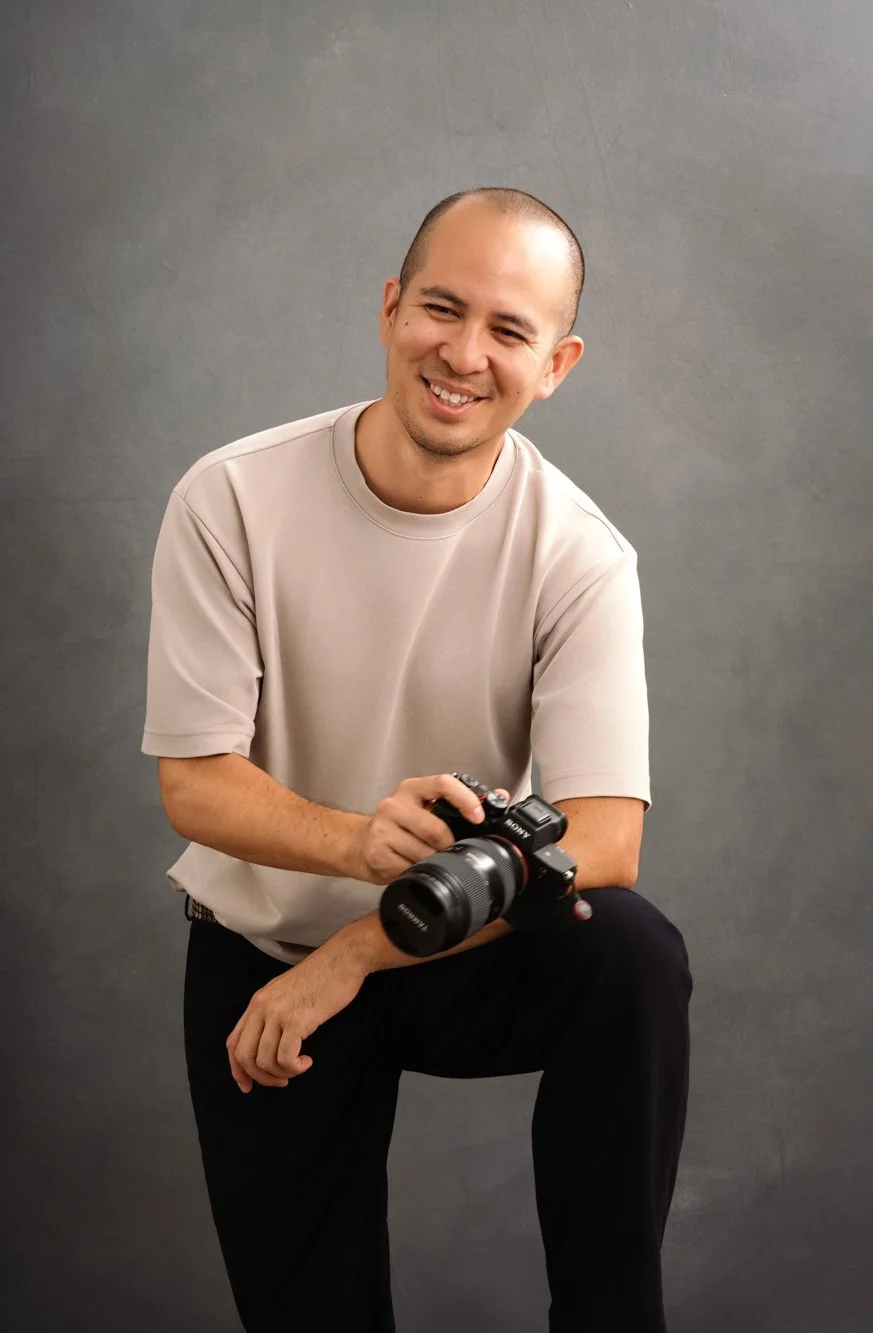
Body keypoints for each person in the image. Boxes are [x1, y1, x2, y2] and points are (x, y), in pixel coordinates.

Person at [141, 186, 693, 1333]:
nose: (464, 352)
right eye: (442, 308)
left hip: (449, 946)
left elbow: (609, 839)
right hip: (264, 965)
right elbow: (192, 782)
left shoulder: (579, 554)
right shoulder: (231, 496)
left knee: (632, 956)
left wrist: (361, 943)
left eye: (509, 330)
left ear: (557, 364)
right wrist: (352, 846)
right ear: (391, 308)